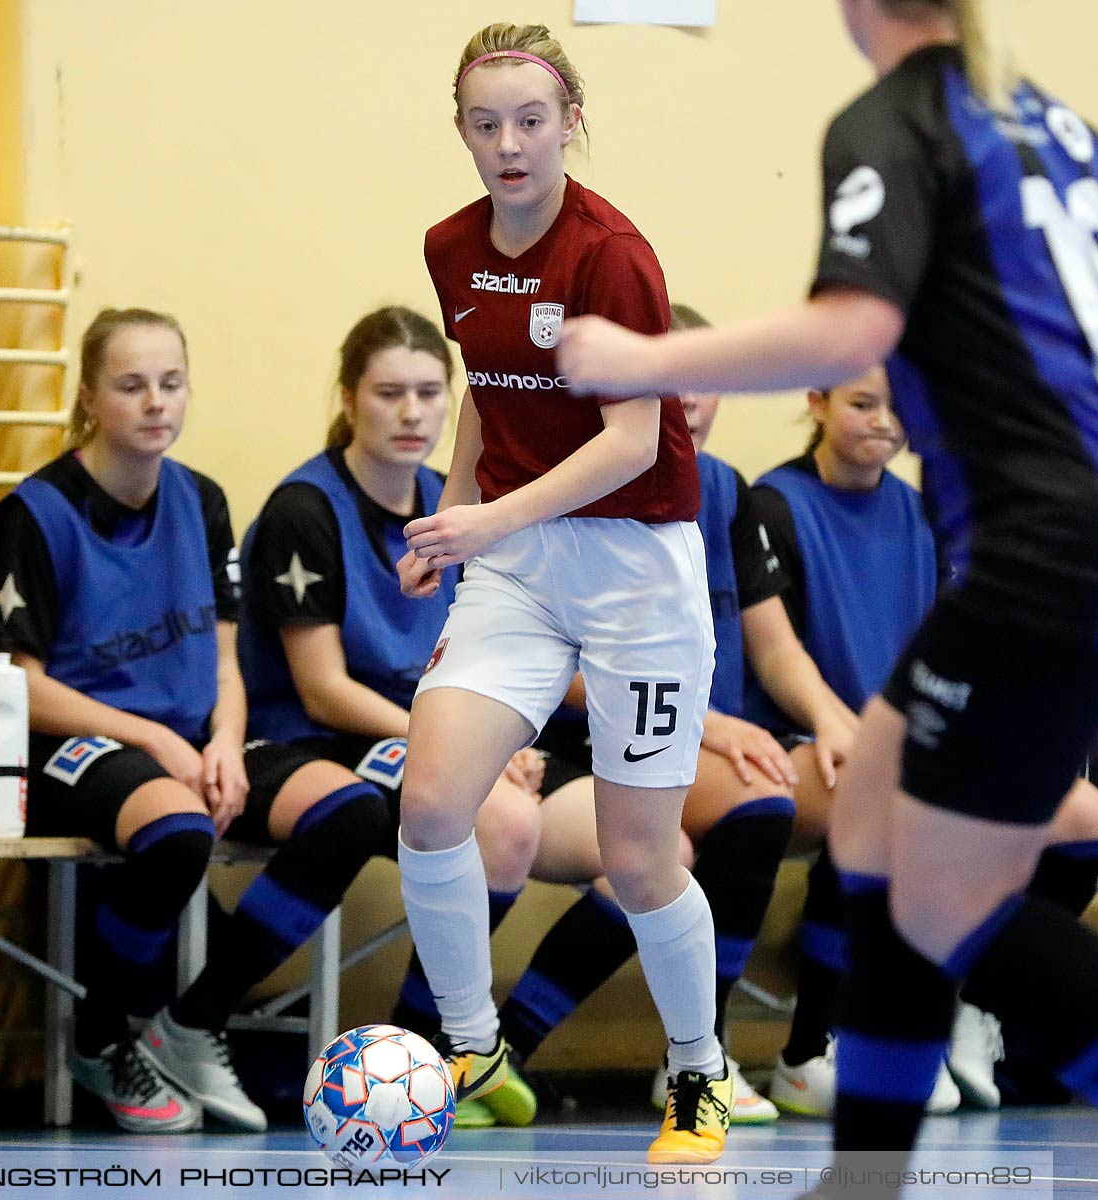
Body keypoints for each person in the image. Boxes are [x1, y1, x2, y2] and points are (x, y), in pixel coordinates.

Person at [558, 1, 1098, 1193]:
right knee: (876, 821)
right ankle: (865, 1176)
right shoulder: (1047, 123)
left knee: (951, 906)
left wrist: (641, 361)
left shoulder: (891, 121)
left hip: (1052, 547)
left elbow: (853, 327)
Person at [395, 23, 731, 1163]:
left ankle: (699, 1075)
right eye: (484, 123)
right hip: (517, 565)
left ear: (569, 122)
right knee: (432, 801)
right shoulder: (450, 246)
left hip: (634, 572)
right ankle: (471, 1043)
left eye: (530, 120)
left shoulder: (610, 255)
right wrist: (453, 529)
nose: (507, 144)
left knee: (640, 861)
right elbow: (486, 395)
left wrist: (490, 516)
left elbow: (636, 440)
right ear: (460, 130)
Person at [0, 307, 391, 1134]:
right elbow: (17, 683)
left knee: (351, 810)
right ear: (90, 397)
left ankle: (191, 1022)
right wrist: (152, 737)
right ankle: (100, 1033)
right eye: (131, 385)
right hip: (67, 748)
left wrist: (225, 740)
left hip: (194, 738)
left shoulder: (203, 499)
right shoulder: (36, 514)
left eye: (171, 382)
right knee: (180, 829)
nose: (156, 401)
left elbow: (225, 661)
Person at [495, 302, 861, 1127]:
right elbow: (552, 661)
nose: (691, 396)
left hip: (688, 746)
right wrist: (700, 724)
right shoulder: (582, 486)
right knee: (701, 835)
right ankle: (655, 1052)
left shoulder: (726, 492)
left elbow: (772, 647)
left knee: (843, 795)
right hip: (588, 744)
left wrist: (838, 724)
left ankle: (765, 1053)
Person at [743, 365, 1098, 1116]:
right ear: (816, 403)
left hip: (916, 739)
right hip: (811, 739)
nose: (884, 421)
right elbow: (778, 655)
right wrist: (840, 723)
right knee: (872, 799)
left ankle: (977, 1002)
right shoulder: (772, 504)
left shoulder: (926, 512)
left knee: (1081, 815)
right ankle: (813, 1044)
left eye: (898, 406)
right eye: (861, 403)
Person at [237, 304, 552, 1128]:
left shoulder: (454, 507)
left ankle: (426, 1059)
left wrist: (505, 733)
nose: (412, 414)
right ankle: (428, 1052)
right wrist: (460, 747)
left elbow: (490, 646)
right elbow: (323, 689)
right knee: (503, 822)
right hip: (319, 739)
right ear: (348, 400)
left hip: (425, 727)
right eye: (388, 394)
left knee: (523, 830)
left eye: (428, 392)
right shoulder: (305, 507)